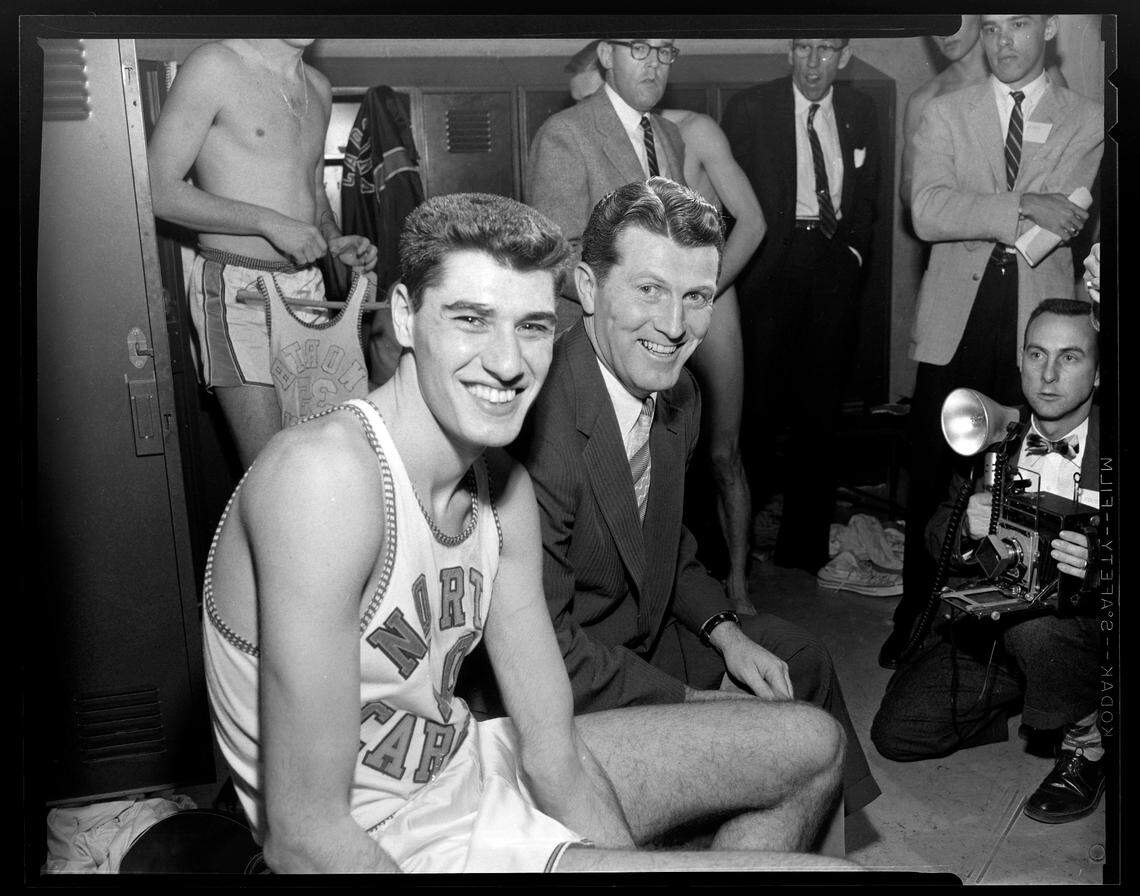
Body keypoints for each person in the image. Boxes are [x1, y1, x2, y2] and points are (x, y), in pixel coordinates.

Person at [202, 191, 858, 873]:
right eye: (471, 319)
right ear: (403, 316)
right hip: (387, 843)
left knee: (811, 743)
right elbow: (306, 837)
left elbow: (555, 755)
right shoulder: (324, 477)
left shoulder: (500, 488)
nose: (509, 363)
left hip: (470, 768)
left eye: (534, 326)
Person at [462, 178, 880, 823]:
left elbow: (670, 549)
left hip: (641, 634)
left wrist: (727, 634)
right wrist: (689, 702)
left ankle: (799, 843)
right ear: (589, 288)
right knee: (754, 731)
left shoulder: (679, 398)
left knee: (801, 662)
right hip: (562, 680)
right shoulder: (534, 428)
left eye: (696, 296)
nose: (675, 326)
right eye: (649, 289)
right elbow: (543, 648)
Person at [879, 14, 1103, 669]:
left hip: (1039, 325)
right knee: (932, 481)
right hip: (954, 326)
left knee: (1028, 483)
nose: (1004, 40)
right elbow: (926, 211)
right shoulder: (942, 111)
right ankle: (916, 615)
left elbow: (1066, 217)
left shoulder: (1088, 118)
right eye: (993, 26)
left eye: (1020, 23)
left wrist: (992, 206)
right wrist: (1027, 202)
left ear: (1050, 27)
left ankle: (1015, 637)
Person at [872, 299, 1104, 825]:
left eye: (1069, 358)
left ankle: (1087, 741)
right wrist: (966, 529)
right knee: (899, 734)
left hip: (1084, 628)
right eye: (1036, 354)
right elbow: (936, 535)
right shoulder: (997, 435)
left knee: (1040, 633)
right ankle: (1042, 692)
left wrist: (1100, 560)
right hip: (999, 627)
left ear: (1097, 372)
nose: (1048, 375)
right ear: (1020, 360)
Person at [563, 40, 767, 615]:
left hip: (708, 294)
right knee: (650, 444)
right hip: (635, 305)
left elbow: (752, 221)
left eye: (660, 52)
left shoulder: (685, 133)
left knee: (724, 451)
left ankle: (739, 587)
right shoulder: (583, 137)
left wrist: (703, 290)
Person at [147, 38, 379, 468]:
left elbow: (310, 188)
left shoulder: (320, 87)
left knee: (326, 457)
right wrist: (269, 222)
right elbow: (158, 191)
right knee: (270, 467)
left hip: (307, 286)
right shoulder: (214, 65)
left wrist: (332, 239)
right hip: (236, 288)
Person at [721, 37, 881, 574]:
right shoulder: (750, 108)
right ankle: (729, 553)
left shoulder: (861, 109)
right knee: (756, 415)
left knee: (821, 417)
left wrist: (854, 255)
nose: (814, 63)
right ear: (788, 53)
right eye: (803, 49)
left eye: (826, 50)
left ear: (845, 55)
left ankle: (802, 551)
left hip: (833, 267)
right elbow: (723, 203)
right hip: (770, 268)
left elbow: (869, 196)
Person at [527, 37, 685, 333]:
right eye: (639, 47)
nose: (654, 62)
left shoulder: (670, 134)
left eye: (664, 51)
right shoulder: (565, 133)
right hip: (594, 332)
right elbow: (555, 254)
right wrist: (631, 302)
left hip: (663, 326)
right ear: (607, 55)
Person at [901, 15, 1068, 204]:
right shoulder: (924, 100)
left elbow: (1064, 169)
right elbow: (909, 188)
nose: (943, 31)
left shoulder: (1041, 78)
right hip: (960, 229)